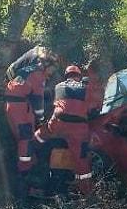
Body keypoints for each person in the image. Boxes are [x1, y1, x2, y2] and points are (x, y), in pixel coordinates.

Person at [33, 64, 92, 194]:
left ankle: (32, 166)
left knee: (37, 139)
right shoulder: (86, 88)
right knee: (82, 163)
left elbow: (56, 104)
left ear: (66, 76)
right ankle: (86, 193)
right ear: (79, 76)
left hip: (58, 122)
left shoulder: (59, 86)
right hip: (78, 127)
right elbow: (93, 109)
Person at [3, 47, 54, 190]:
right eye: (51, 68)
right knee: (26, 139)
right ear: (45, 65)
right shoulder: (38, 75)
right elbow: (38, 100)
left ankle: (27, 167)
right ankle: (24, 174)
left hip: (11, 106)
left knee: (23, 139)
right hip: (20, 108)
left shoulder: (25, 70)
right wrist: (42, 118)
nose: (52, 72)